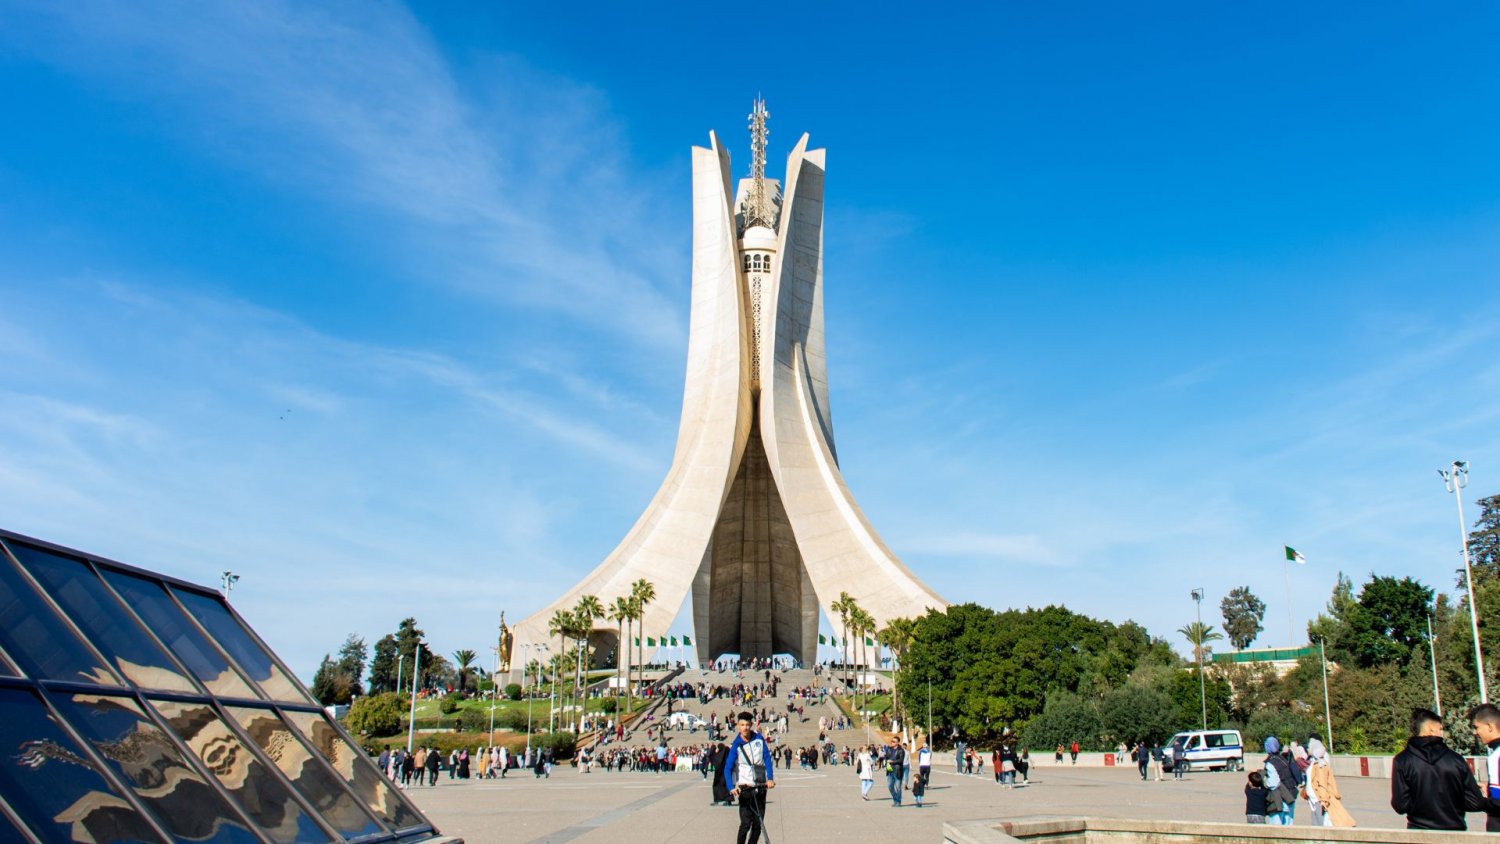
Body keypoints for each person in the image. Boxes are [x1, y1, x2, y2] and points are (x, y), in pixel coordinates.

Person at [1391, 707, 1484, 831]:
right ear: (1431, 729)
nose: (1442, 733)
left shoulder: (1402, 760)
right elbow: (1475, 803)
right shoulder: (1456, 760)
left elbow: (1400, 805)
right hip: (1455, 832)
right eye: (1440, 729)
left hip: (1418, 831)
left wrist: (1420, 804)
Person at [724, 711, 776, 844]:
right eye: (742, 725)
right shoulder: (736, 745)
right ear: (738, 726)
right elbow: (727, 768)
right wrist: (731, 787)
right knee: (745, 824)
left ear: (751, 725)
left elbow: (767, 758)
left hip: (760, 786)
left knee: (758, 825)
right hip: (745, 788)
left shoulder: (759, 739)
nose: (745, 728)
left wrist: (770, 778)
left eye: (747, 725)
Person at [1306, 738, 1354, 827]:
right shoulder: (1314, 762)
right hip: (1314, 799)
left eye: (1309, 747)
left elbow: (1322, 784)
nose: (1308, 749)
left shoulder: (1320, 765)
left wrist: (1323, 800)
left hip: (1319, 799)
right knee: (1317, 823)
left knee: (1321, 823)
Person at [1470, 703, 1500, 832]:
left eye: (1477, 727)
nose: (1475, 732)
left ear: (1490, 726)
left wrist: (1480, 801)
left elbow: (1498, 802)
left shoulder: (1496, 756)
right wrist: (1489, 790)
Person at [1261, 737, 1298, 825]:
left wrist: (1265, 783)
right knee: (1289, 824)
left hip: (1280, 799)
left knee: (1277, 825)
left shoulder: (1270, 763)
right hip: (1291, 795)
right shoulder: (1283, 758)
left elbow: (1274, 783)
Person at [884, 735, 907, 807]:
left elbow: (901, 760)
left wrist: (892, 761)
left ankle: (898, 802)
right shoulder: (889, 749)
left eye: (894, 741)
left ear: (897, 743)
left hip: (897, 770)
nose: (892, 742)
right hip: (889, 770)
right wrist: (886, 760)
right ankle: (895, 799)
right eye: (892, 741)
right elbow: (886, 757)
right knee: (890, 786)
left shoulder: (901, 750)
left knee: (898, 787)